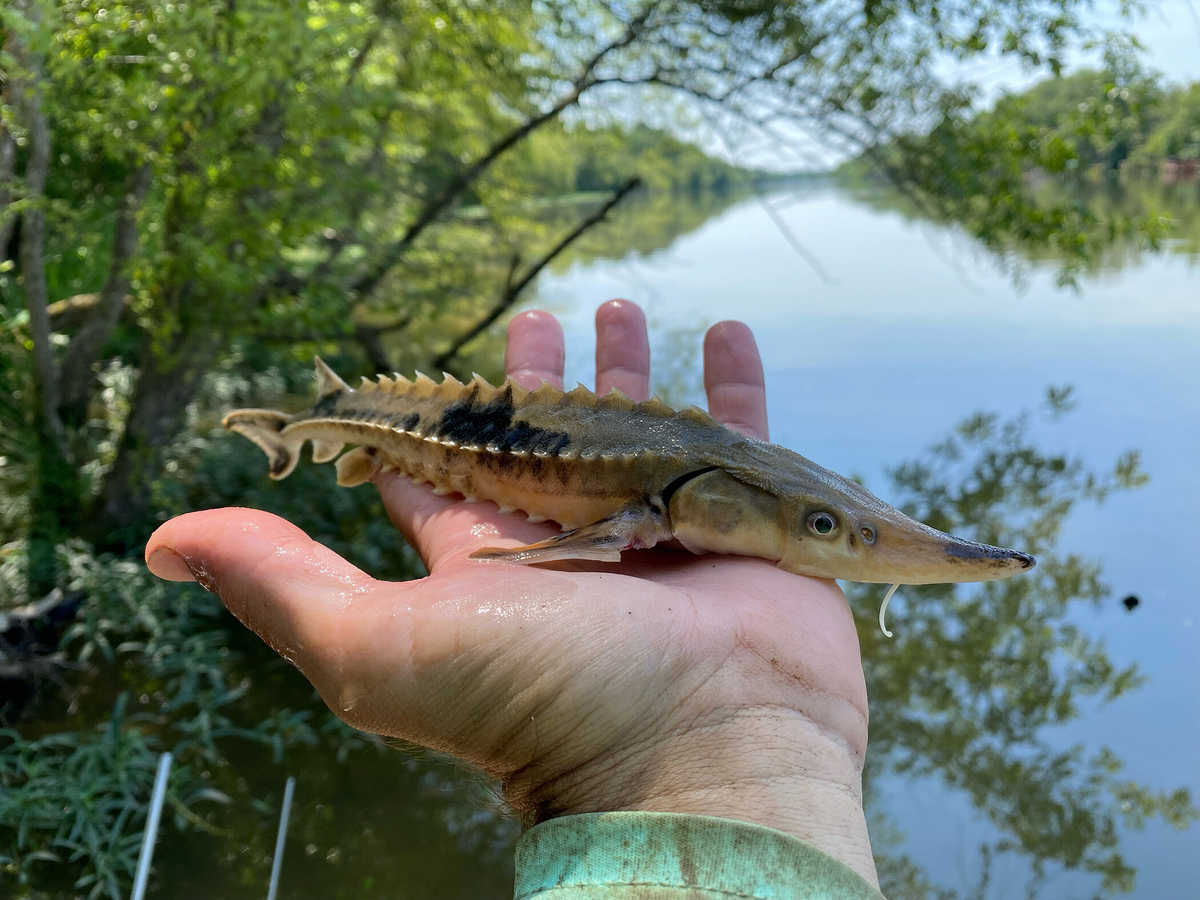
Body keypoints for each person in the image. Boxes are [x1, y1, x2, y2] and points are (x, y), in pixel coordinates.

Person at [145, 299, 884, 899]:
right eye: (820, 525)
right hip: (419, 428)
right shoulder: (650, 504)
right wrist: (536, 556)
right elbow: (569, 544)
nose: (823, 537)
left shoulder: (708, 488)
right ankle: (294, 433)